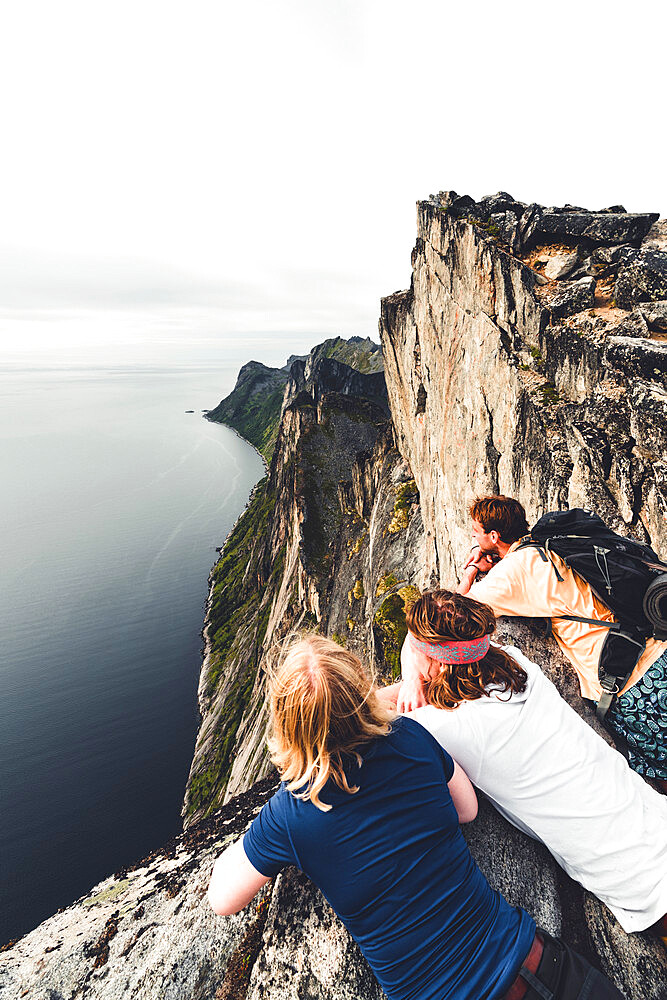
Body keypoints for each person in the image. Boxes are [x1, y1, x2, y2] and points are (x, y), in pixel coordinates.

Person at [208, 633, 626, 1000]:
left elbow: (222, 899)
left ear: (289, 726)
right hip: (533, 966)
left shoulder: (292, 812)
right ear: (360, 690)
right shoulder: (410, 738)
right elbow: (467, 809)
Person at [394, 589, 667, 945]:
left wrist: (411, 677)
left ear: (438, 663)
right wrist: (417, 672)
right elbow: (429, 644)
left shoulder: (445, 727)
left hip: (637, 877)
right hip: (650, 817)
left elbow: (372, 711)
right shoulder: (515, 663)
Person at [448, 495, 667, 786]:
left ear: (494, 535)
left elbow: (454, 613)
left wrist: (470, 573)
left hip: (630, 685)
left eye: (476, 532)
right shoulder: (550, 542)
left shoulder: (514, 572)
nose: (472, 536)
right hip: (656, 651)